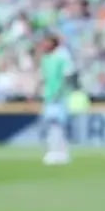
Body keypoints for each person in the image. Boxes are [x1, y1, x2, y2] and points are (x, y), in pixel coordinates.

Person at [38, 34, 74, 166]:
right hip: (49, 97)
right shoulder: (45, 59)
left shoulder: (62, 58)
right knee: (51, 125)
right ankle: (53, 151)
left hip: (60, 96)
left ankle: (62, 153)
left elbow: (67, 76)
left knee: (60, 125)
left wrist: (60, 91)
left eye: (47, 42)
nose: (44, 45)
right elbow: (44, 78)